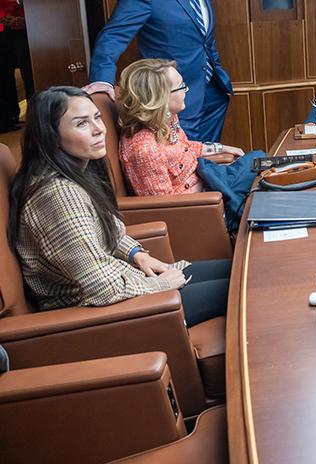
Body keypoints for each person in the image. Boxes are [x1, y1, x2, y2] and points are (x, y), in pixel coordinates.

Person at [8, 87, 232, 328]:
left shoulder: (74, 172)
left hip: (127, 282)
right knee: (245, 285)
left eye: (96, 117)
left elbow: (106, 228)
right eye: (82, 124)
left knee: (242, 269)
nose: (99, 129)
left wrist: (137, 255)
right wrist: (163, 285)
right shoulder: (59, 195)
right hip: (107, 312)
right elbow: (101, 289)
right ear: (50, 136)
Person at [83, 0, 233, 143]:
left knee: (209, 160)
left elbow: (204, 36)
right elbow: (114, 34)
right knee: (182, 167)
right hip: (171, 98)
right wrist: (101, 79)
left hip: (212, 95)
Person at [118, 59, 261, 233]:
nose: (186, 90)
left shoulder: (167, 118)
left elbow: (185, 147)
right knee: (258, 192)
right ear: (161, 99)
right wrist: (209, 194)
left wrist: (221, 148)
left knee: (259, 161)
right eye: (181, 86)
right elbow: (165, 207)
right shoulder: (145, 150)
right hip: (202, 202)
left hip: (207, 178)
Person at [0, 0, 27, 133]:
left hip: (20, 30)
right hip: (1, 32)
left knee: (27, 71)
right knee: (4, 75)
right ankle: (9, 116)